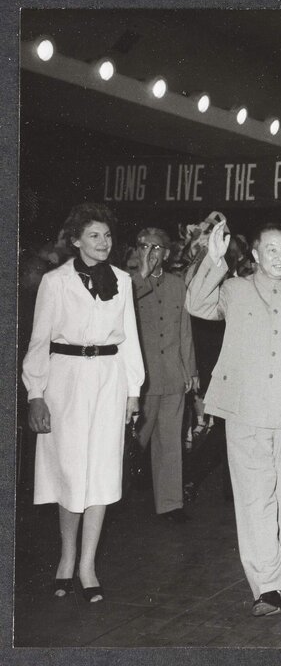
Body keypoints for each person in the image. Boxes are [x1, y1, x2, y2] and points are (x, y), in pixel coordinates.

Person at [186, 219, 281, 617]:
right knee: (255, 499)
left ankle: (271, 572)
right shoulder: (234, 289)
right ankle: (268, 586)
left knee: (280, 497)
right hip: (246, 410)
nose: (280, 257)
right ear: (255, 254)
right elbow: (196, 304)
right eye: (271, 249)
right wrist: (211, 260)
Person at [23, 203, 144, 602]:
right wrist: (35, 394)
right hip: (66, 381)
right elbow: (39, 342)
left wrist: (133, 391)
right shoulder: (55, 282)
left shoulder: (122, 281)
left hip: (109, 380)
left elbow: (130, 340)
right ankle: (66, 558)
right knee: (71, 471)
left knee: (102, 472)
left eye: (107, 235)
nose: (103, 242)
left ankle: (88, 565)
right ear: (75, 240)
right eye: (93, 235)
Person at [131, 227, 199, 523]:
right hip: (141, 380)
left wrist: (190, 370)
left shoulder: (177, 285)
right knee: (134, 442)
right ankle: (110, 500)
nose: (149, 251)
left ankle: (170, 505)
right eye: (143, 246)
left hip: (172, 375)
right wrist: (141, 275)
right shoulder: (127, 283)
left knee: (170, 443)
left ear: (167, 253)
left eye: (155, 247)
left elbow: (185, 331)